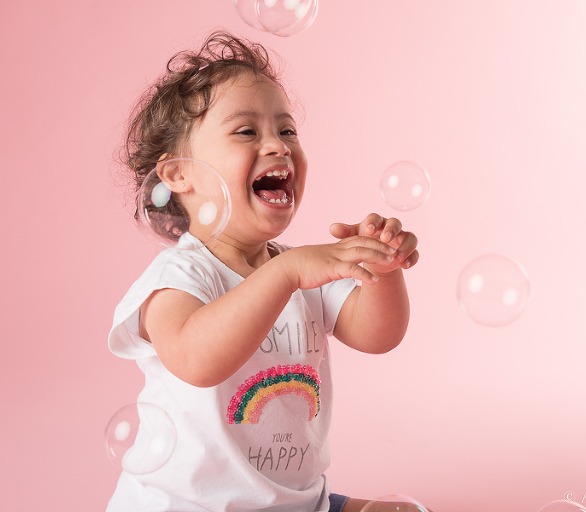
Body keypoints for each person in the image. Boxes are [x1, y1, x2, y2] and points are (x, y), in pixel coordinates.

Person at [107, 30, 423, 512]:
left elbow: (379, 334)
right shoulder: (179, 276)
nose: (278, 145)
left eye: (287, 131)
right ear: (179, 174)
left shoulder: (296, 266)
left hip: (298, 502)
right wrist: (289, 273)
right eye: (247, 132)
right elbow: (196, 358)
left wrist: (383, 267)